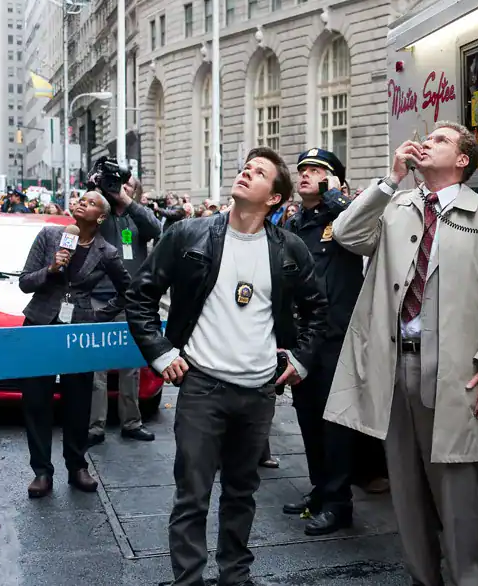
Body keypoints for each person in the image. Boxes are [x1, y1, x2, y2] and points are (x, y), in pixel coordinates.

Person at [324, 121, 478, 586]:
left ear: (462, 160)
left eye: (440, 140)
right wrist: (390, 178)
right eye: (427, 137)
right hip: (394, 367)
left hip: (456, 373)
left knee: (458, 493)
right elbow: (346, 234)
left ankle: (467, 579)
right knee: (406, 488)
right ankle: (422, 578)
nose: (426, 142)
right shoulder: (396, 206)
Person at [124, 147, 328, 586]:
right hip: (202, 387)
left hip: (258, 393)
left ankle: (236, 575)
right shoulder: (188, 234)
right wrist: (161, 352)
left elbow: (317, 310)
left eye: (259, 173)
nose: (246, 174)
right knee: (192, 495)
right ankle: (189, 580)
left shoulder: (289, 248)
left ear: (274, 198)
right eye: (246, 168)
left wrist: (300, 360)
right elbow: (140, 295)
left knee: (241, 493)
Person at [282, 148, 384, 535]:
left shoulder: (343, 218)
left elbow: (363, 227)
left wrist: (335, 196)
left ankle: (340, 502)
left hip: (336, 336)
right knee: (308, 417)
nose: (306, 174)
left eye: (316, 170)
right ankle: (320, 489)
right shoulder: (296, 223)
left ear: (334, 178)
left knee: (334, 423)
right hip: (304, 337)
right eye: (303, 170)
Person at [18, 191, 132, 498]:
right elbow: (25, 281)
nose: (83, 202)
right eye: (82, 198)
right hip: (40, 324)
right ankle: (42, 471)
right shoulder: (49, 236)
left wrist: (99, 316)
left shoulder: (107, 252)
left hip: (79, 331)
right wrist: (51, 269)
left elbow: (128, 291)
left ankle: (77, 465)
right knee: (36, 400)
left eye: (92, 202)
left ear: (101, 217)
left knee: (79, 401)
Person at [89, 171, 162, 446]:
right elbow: (83, 222)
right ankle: (95, 426)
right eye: (118, 184)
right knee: (96, 367)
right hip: (99, 298)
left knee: (130, 366)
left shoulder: (138, 215)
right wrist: (97, 190)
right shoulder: (102, 212)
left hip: (131, 300)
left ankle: (131, 422)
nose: (120, 188)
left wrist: (126, 201)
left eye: (127, 185)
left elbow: (156, 230)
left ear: (135, 191)